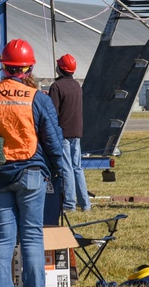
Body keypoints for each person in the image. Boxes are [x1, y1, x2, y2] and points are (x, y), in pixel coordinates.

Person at [0, 39, 63, 287]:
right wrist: (57, 170)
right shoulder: (37, 98)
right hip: (31, 175)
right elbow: (53, 141)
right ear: (29, 68)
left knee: (3, 239)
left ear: (4, 67)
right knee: (31, 238)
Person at [48, 53, 90, 212]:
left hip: (63, 133)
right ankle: (85, 204)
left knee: (66, 168)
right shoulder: (77, 86)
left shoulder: (56, 87)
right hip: (77, 132)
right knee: (77, 167)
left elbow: (52, 113)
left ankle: (69, 204)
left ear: (60, 68)